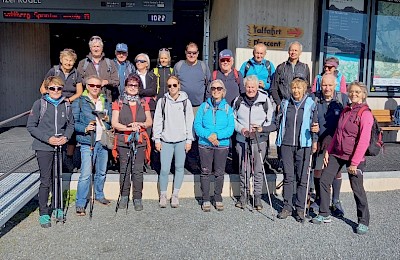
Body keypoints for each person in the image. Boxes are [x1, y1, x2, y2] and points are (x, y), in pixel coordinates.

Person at [312, 81, 373, 235]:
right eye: (352, 92)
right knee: (325, 180)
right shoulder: (346, 110)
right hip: (337, 153)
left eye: (357, 92)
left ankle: (363, 221)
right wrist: (329, 151)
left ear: (363, 95)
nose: (353, 94)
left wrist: (354, 163)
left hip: (355, 157)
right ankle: (324, 213)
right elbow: (337, 134)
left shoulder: (365, 114)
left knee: (357, 189)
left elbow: (364, 141)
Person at [27, 76, 74, 227]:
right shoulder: (39, 104)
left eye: (59, 88)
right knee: (45, 180)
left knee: (58, 178)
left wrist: (66, 137)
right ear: (47, 89)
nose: (55, 91)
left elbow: (71, 125)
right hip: (44, 147)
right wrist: (48, 139)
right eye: (52, 88)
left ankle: (57, 206)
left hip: (60, 145)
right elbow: (31, 126)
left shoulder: (66, 105)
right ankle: (43, 212)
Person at [275, 78, 318, 223]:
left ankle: (300, 208)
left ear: (304, 89)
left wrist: (315, 139)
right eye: (294, 88)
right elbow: (278, 122)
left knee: (302, 178)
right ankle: (287, 206)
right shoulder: (285, 103)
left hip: (303, 145)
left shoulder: (311, 104)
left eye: (299, 88)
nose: (296, 91)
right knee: (288, 176)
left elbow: (315, 125)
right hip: (287, 144)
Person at [233, 75, 276, 210]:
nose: (250, 89)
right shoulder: (238, 100)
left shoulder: (265, 100)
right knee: (244, 169)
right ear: (245, 87)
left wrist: (261, 130)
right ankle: (243, 196)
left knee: (258, 169)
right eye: (248, 86)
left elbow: (271, 121)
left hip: (259, 140)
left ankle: (257, 197)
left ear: (258, 87)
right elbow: (232, 119)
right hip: (242, 139)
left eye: (253, 87)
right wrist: (242, 129)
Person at [72, 75, 112, 216]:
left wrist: (107, 120)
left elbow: (110, 121)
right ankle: (80, 203)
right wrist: (85, 128)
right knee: (85, 174)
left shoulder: (105, 101)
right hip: (87, 142)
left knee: (101, 172)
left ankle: (99, 195)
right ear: (87, 86)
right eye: (92, 85)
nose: (95, 88)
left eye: (98, 86)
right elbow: (73, 123)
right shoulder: (79, 102)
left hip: (103, 142)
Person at [112, 74, 152, 211]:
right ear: (126, 86)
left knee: (138, 171)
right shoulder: (119, 102)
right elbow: (114, 123)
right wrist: (129, 128)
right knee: (124, 170)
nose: (133, 88)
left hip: (140, 140)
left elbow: (149, 122)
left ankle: (137, 198)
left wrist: (139, 125)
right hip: (124, 140)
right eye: (130, 85)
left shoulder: (143, 102)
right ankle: (124, 196)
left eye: (135, 85)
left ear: (139, 87)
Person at [153, 75, 194, 208]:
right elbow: (157, 121)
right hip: (166, 140)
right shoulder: (162, 101)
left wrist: (189, 140)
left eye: (174, 85)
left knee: (179, 167)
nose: (172, 88)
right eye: (169, 85)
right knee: (164, 169)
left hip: (181, 140)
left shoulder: (185, 102)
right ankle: (163, 194)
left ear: (179, 86)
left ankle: (175, 194)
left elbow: (189, 121)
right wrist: (157, 139)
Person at [310, 74, 349, 217]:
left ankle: (335, 200)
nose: (327, 88)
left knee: (335, 172)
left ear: (335, 85)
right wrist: (316, 137)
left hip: (336, 142)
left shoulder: (342, 99)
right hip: (319, 142)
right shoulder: (314, 98)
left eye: (330, 85)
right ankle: (320, 198)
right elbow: (311, 119)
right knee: (318, 170)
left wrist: (331, 138)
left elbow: (346, 123)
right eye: (324, 85)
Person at [39, 48, 83, 173]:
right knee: (55, 127)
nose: (68, 63)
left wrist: (68, 100)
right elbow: (42, 89)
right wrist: (52, 99)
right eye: (66, 60)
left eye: (71, 60)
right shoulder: (53, 71)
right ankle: (54, 156)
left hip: (70, 102)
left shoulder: (76, 73)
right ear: (61, 60)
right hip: (55, 102)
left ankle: (68, 158)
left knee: (71, 129)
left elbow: (79, 92)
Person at [194, 79, 235, 212]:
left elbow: (230, 128)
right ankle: (205, 198)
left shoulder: (228, 108)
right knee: (205, 171)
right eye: (213, 88)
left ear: (223, 91)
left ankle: (217, 197)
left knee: (219, 172)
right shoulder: (203, 107)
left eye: (219, 88)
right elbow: (197, 125)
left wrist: (216, 135)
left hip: (221, 144)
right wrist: (208, 136)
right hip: (205, 144)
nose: (216, 91)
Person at [173, 42, 211, 115]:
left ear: (198, 53)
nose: (191, 55)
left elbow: (209, 85)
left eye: (194, 53)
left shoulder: (203, 66)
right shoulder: (178, 66)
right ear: (185, 52)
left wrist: (206, 103)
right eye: (189, 52)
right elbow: (173, 85)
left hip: (199, 107)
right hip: (181, 106)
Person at [77, 35, 119, 101]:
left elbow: (116, 81)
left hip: (106, 99)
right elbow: (78, 80)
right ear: (90, 48)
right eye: (94, 46)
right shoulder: (83, 63)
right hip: (88, 100)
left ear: (102, 48)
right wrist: (92, 82)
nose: (96, 49)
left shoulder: (110, 63)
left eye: (98, 46)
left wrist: (106, 82)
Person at [270, 41, 311, 106]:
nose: (293, 52)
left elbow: (308, 88)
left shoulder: (305, 68)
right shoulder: (281, 67)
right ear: (288, 51)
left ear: (300, 52)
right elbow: (274, 88)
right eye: (291, 50)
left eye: (296, 50)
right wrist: (279, 103)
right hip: (284, 103)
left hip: (300, 104)